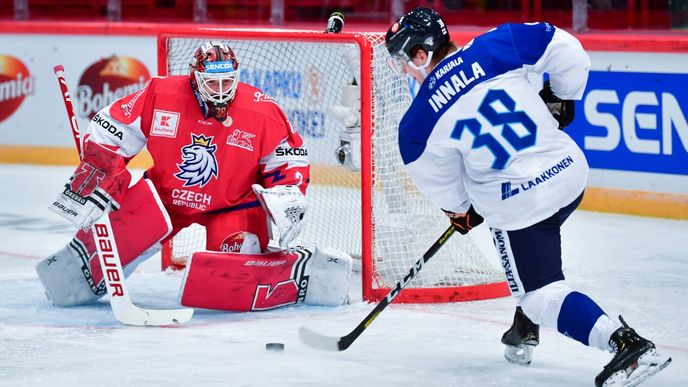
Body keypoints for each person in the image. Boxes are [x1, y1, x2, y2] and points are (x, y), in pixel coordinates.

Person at [385, 7, 671, 386]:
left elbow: (444, 186)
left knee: (539, 291)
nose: (402, 69)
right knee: (534, 247)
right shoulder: (496, 44)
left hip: (521, 203)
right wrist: (562, 95)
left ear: (421, 55)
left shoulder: (416, 123)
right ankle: (525, 324)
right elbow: (569, 50)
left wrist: (462, 211)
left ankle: (624, 345)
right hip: (570, 173)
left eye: (403, 60)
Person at [37, 40, 352, 312]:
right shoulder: (161, 94)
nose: (219, 91)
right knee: (109, 251)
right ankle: (84, 265)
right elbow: (111, 125)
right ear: (195, 75)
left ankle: (293, 273)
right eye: (211, 83)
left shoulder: (261, 109)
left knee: (233, 278)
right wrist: (101, 171)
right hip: (165, 199)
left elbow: (288, 155)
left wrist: (287, 193)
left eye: (227, 82)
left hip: (233, 205)